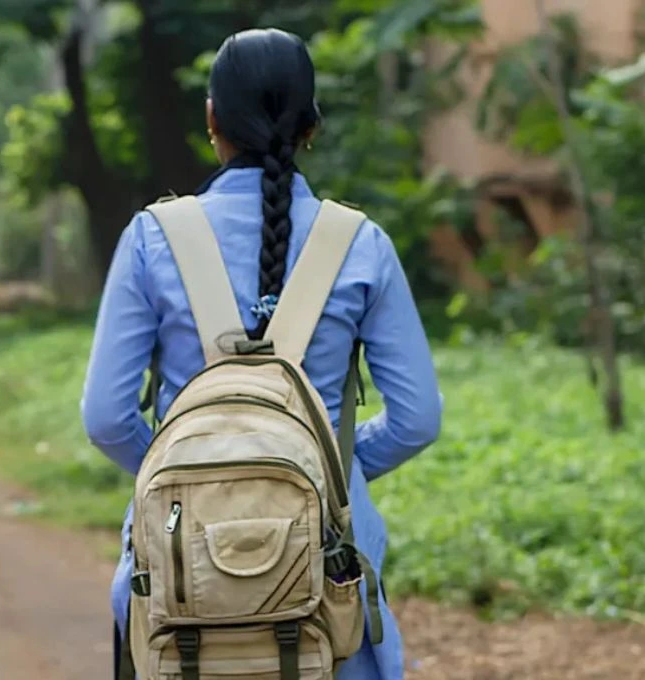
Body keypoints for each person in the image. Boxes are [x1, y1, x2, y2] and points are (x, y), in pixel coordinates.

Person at [81, 27, 442, 680]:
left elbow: (107, 416)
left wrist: (187, 468)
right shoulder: (360, 244)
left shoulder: (151, 239)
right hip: (325, 574)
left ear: (212, 119)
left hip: (178, 567)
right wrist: (325, 467)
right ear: (312, 126)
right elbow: (417, 418)